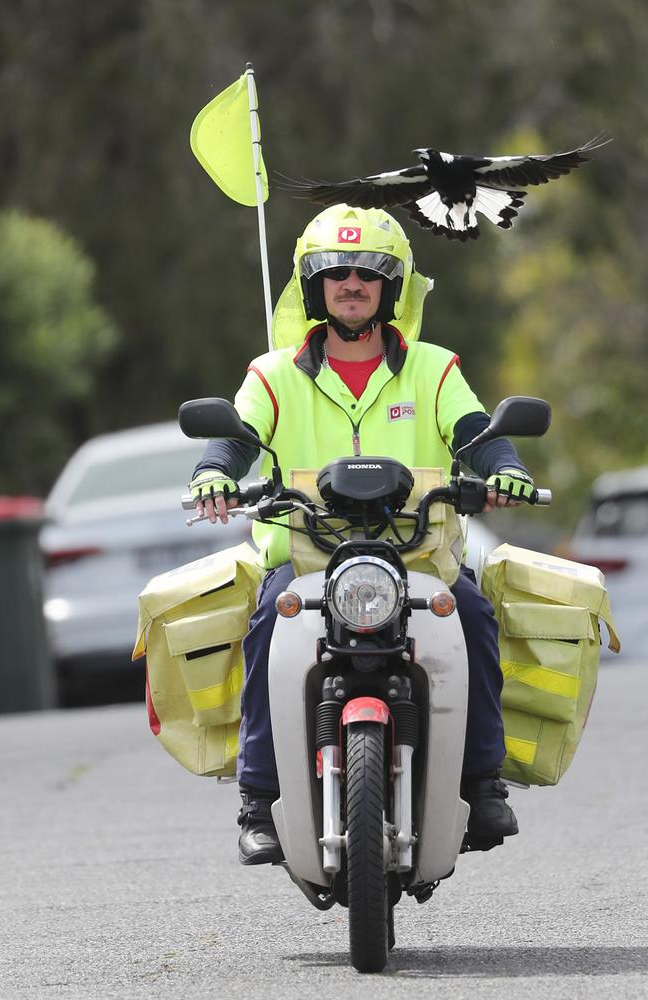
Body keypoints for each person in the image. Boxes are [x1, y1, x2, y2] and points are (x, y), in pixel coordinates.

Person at [189, 205, 535, 865]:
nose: (352, 283)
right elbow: (236, 439)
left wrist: (507, 470)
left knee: (472, 610)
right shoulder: (273, 374)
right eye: (336, 272)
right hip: (306, 558)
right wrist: (213, 473)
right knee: (268, 618)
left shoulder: (434, 368)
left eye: (369, 273)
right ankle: (259, 801)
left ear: (390, 287)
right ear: (315, 287)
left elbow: (477, 433)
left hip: (420, 557)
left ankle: (482, 780)